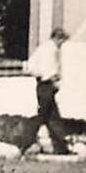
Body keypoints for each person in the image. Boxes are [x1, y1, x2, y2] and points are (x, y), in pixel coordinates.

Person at [24, 27, 72, 155]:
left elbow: (31, 65)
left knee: (52, 116)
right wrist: (53, 78)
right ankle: (27, 142)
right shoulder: (50, 50)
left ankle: (62, 147)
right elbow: (47, 68)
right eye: (62, 41)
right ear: (58, 38)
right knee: (44, 115)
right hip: (46, 85)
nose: (62, 45)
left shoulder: (44, 48)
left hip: (44, 84)